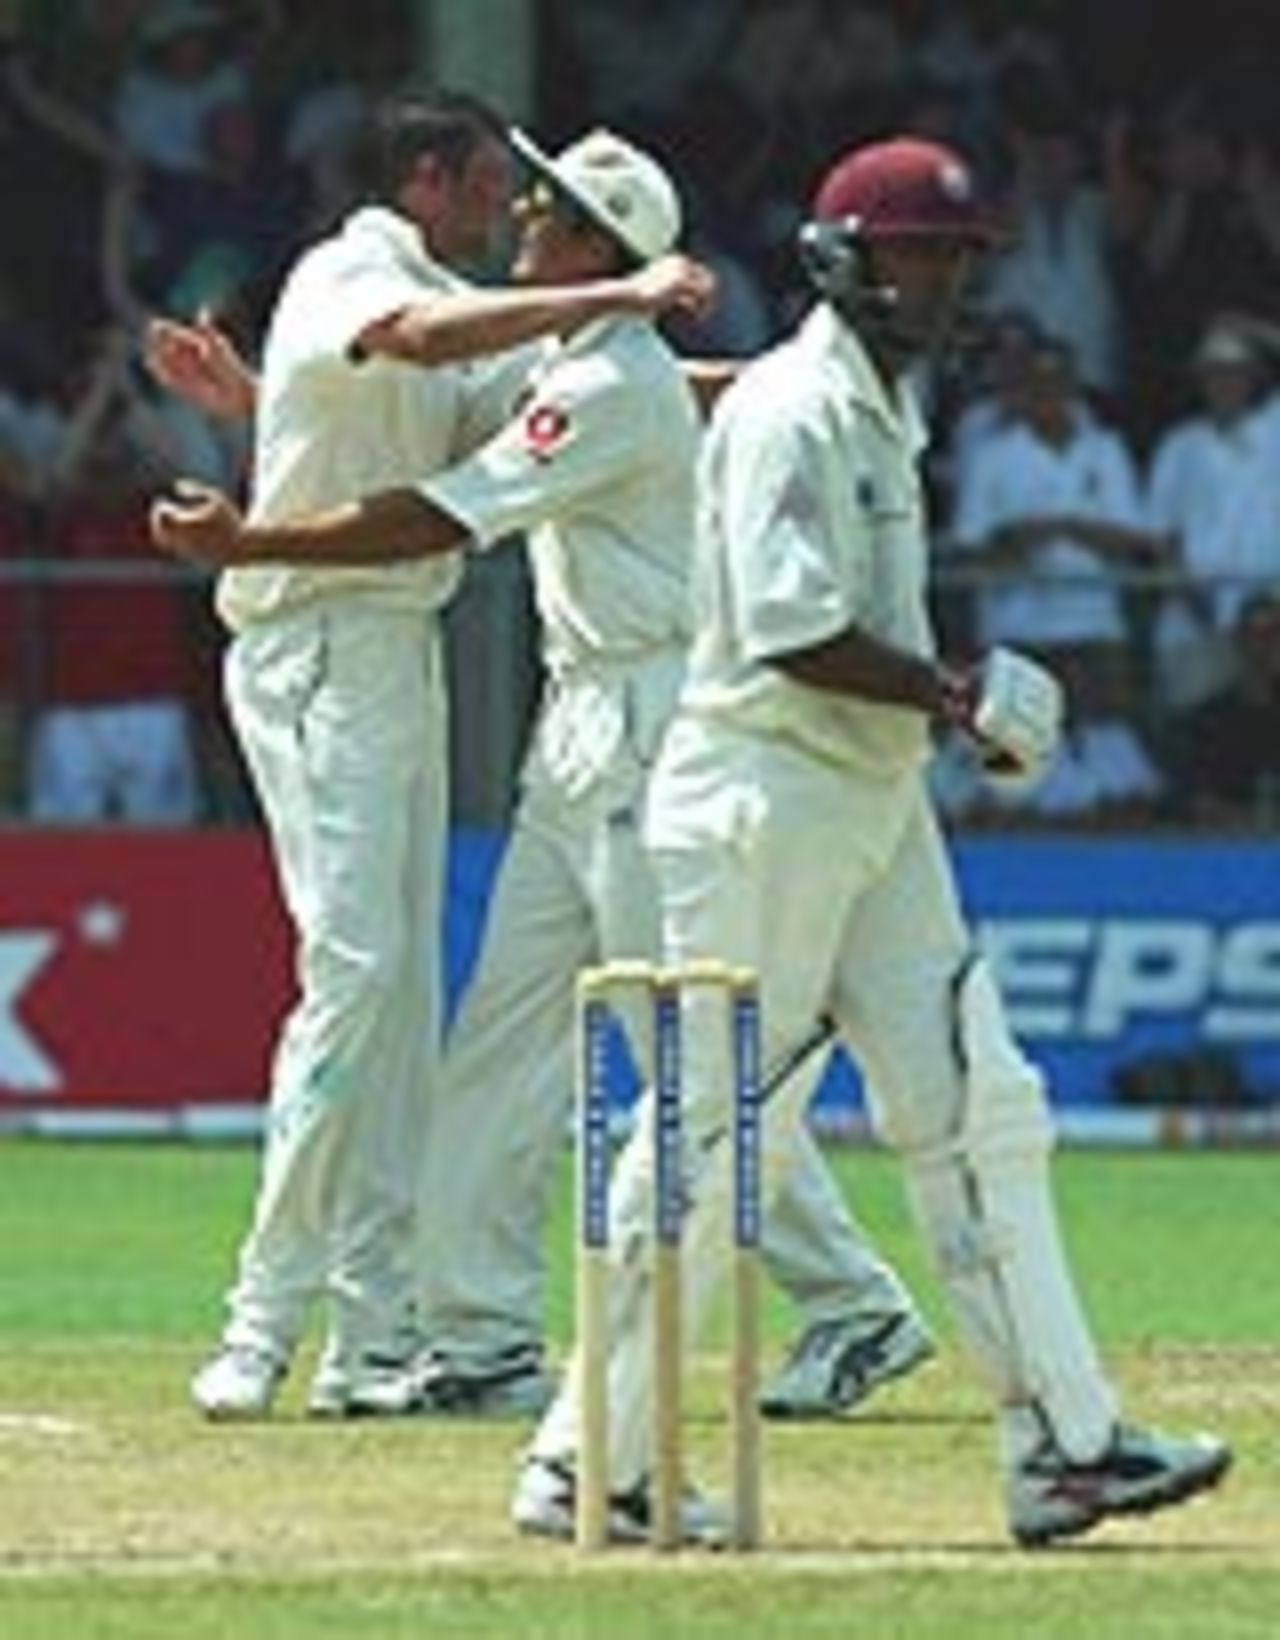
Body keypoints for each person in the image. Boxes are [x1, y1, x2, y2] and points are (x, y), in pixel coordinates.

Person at [502, 135, 1230, 1546]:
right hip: (763, 793)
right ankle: (597, 1462)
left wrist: (937, 705)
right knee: (723, 1139)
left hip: (870, 796)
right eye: (919, 254)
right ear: (843, 258)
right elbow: (793, 633)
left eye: (960, 258)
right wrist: (957, 694)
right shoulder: (791, 408)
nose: (945, 282)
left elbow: (854, 637)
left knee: (978, 1102)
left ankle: (1064, 1447)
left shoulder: (887, 405)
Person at [151, 126, 935, 1421]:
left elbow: (435, 512)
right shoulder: (581, 354)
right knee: (498, 1048)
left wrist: (252, 537)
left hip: (648, 722)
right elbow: (547, 388)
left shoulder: (604, 377)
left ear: (598, 244)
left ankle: (854, 1306)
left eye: (555, 207)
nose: (525, 213)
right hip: (579, 734)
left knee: (670, 1041)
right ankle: (481, 1337)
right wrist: (270, 409)